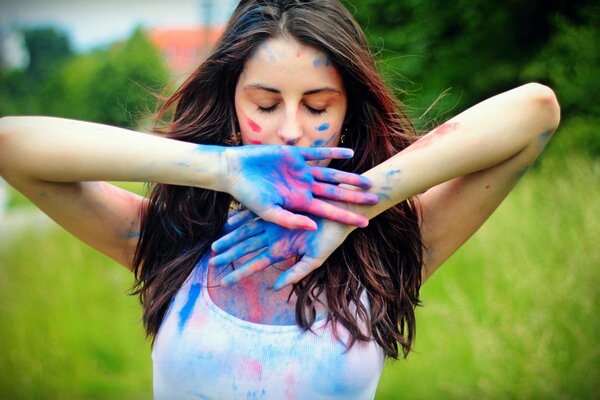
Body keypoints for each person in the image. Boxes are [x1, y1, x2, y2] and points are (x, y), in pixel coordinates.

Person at [0, 0, 560, 398]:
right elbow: (12, 146)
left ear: (346, 117)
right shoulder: (176, 243)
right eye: (266, 105)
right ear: (232, 106)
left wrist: (361, 203)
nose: (290, 130)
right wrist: (218, 167)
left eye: (317, 107)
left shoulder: (384, 254)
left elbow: (535, 112)